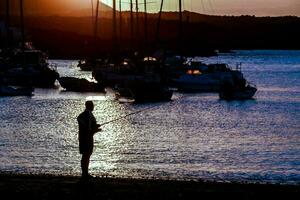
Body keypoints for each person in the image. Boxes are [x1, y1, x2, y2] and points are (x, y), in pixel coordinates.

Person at [77, 101, 101, 178]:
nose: (93, 107)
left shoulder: (89, 114)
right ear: (89, 106)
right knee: (86, 155)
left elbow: (90, 126)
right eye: (92, 105)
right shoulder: (86, 114)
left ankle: (85, 173)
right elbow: (81, 120)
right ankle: (84, 174)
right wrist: (91, 129)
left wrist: (95, 127)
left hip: (88, 136)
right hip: (86, 137)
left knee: (87, 154)